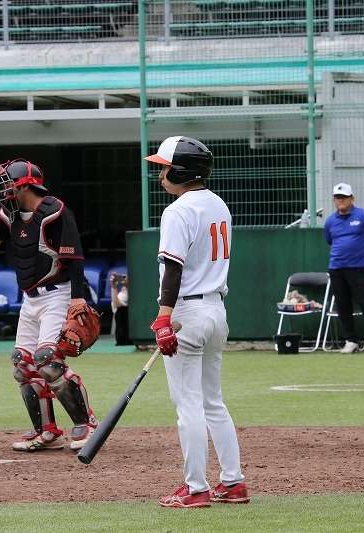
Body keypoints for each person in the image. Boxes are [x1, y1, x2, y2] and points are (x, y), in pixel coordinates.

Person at [145, 136, 248, 508]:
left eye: (164, 168)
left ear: (180, 171)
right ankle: (233, 483)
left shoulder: (178, 211)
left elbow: (173, 269)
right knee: (212, 402)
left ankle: (196, 488)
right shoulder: (218, 204)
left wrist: (163, 317)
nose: (160, 175)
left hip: (186, 313)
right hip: (216, 310)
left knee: (188, 405)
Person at [0, 158, 99, 452]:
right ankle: (48, 432)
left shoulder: (56, 212)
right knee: (22, 363)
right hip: (29, 298)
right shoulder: (12, 215)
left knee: (48, 361)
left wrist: (77, 298)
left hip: (58, 294)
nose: (3, 192)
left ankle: (87, 423)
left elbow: (74, 258)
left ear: (25, 186)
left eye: (8, 186)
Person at [324, 183, 364, 355]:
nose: (341, 200)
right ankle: (351, 341)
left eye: (344, 197)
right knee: (343, 305)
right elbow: (331, 242)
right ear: (334, 201)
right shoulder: (330, 221)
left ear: (351, 198)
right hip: (336, 268)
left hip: (357, 268)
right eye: (338, 198)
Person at [109, 271, 132, 346]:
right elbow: (117, 305)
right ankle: (122, 339)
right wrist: (113, 287)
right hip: (125, 327)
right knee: (121, 311)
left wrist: (129, 286)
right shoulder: (123, 291)